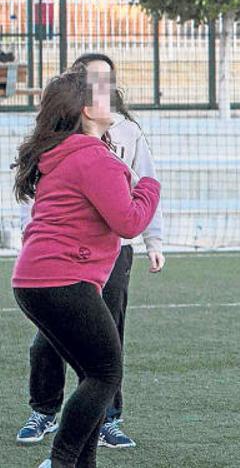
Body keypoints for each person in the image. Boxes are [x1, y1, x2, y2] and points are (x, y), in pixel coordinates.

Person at [11, 64, 161, 468]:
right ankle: (59, 462)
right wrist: (148, 187)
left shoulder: (61, 156)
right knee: (106, 373)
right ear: (85, 110)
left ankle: (80, 464)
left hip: (33, 281)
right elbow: (128, 221)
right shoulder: (94, 158)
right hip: (63, 281)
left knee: (91, 376)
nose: (110, 97)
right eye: (100, 93)